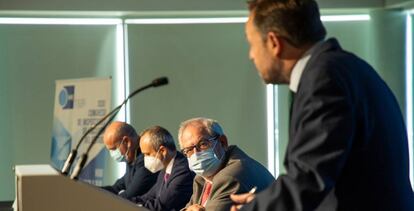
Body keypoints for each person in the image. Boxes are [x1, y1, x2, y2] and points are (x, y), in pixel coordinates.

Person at [231, 0, 414, 210]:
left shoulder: (324, 81)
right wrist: (264, 202)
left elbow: (309, 180)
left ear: (274, 42)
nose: (251, 55)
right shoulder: (341, 67)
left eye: (251, 44)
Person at [179, 117, 274, 211]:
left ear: (222, 142)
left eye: (203, 144)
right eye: (189, 150)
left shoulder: (230, 176)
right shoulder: (201, 179)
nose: (196, 154)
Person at [133, 125, 195, 211]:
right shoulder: (165, 169)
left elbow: (160, 205)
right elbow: (148, 196)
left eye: (147, 154)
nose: (144, 158)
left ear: (162, 151)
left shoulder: (183, 171)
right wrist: (124, 202)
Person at [101, 121, 158, 201]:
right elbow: (116, 188)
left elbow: (129, 195)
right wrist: (91, 191)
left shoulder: (146, 160)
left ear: (127, 142)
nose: (112, 154)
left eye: (114, 149)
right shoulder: (132, 157)